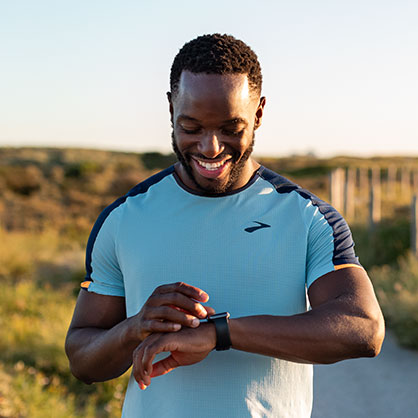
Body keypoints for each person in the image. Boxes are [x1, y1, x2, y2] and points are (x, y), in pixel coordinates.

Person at [64, 33, 385, 417]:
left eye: (231, 128)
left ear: (259, 114)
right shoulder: (123, 219)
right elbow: (82, 360)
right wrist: (134, 328)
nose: (211, 147)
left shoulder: (307, 218)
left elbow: (363, 329)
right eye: (192, 127)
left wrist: (219, 334)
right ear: (170, 109)